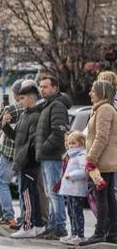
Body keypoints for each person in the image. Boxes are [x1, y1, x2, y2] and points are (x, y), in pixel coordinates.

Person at [4, 82, 46, 239]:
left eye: (22, 98)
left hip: (29, 162)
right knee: (30, 193)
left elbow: (34, 141)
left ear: (31, 98)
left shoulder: (35, 115)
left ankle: (28, 225)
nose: (20, 101)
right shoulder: (24, 114)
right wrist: (6, 126)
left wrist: (26, 157)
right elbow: (17, 137)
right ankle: (37, 225)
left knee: (27, 194)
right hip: (24, 161)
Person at [79, 80, 117, 246]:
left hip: (102, 161)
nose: (90, 93)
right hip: (104, 159)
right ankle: (112, 232)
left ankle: (100, 232)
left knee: (101, 197)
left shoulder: (104, 109)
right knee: (108, 197)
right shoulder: (102, 109)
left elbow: (101, 137)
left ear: (101, 92)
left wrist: (91, 159)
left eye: (93, 90)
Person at [35, 75, 70, 240]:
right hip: (47, 156)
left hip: (52, 156)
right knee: (51, 192)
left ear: (55, 88)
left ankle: (60, 227)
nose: (42, 89)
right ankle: (53, 225)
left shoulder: (56, 105)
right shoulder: (47, 105)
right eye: (40, 86)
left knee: (54, 192)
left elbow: (59, 132)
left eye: (45, 87)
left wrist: (43, 148)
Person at [0, 81, 23, 228]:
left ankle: (8, 216)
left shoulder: (12, 108)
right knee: (23, 186)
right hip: (24, 153)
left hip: (9, 152)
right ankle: (24, 216)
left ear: (16, 94)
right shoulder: (33, 108)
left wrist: (0, 112)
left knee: (2, 183)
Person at [59, 131, 88, 246]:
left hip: (77, 190)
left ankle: (80, 235)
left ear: (81, 143)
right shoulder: (71, 155)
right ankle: (73, 233)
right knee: (71, 212)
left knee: (77, 212)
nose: (71, 146)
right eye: (69, 143)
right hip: (70, 189)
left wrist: (71, 175)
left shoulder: (81, 155)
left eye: (73, 143)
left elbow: (84, 171)